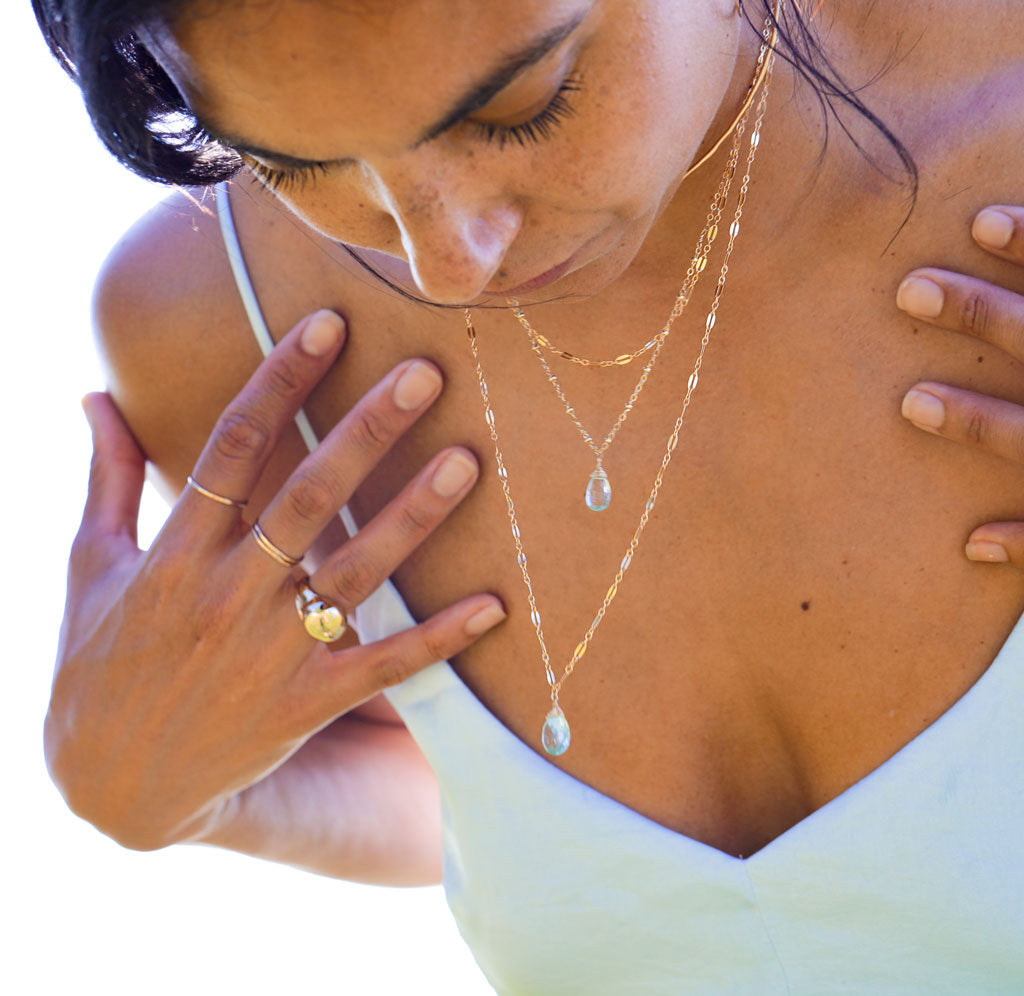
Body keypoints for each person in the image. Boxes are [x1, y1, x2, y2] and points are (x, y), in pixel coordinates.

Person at [35, 0, 1024, 990]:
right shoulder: (213, 326)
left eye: (524, 102)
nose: (448, 261)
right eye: (293, 163)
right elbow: (489, 817)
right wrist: (178, 798)